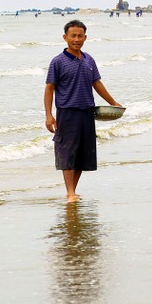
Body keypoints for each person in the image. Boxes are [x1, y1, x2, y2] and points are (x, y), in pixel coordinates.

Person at [44, 20, 121, 202]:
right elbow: (49, 88)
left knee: (82, 155)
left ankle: (72, 191)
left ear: (85, 38)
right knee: (68, 153)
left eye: (80, 36)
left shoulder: (88, 60)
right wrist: (49, 116)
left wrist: (113, 102)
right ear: (65, 37)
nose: (76, 39)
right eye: (73, 36)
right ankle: (70, 192)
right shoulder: (58, 62)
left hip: (87, 111)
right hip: (67, 112)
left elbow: (96, 83)